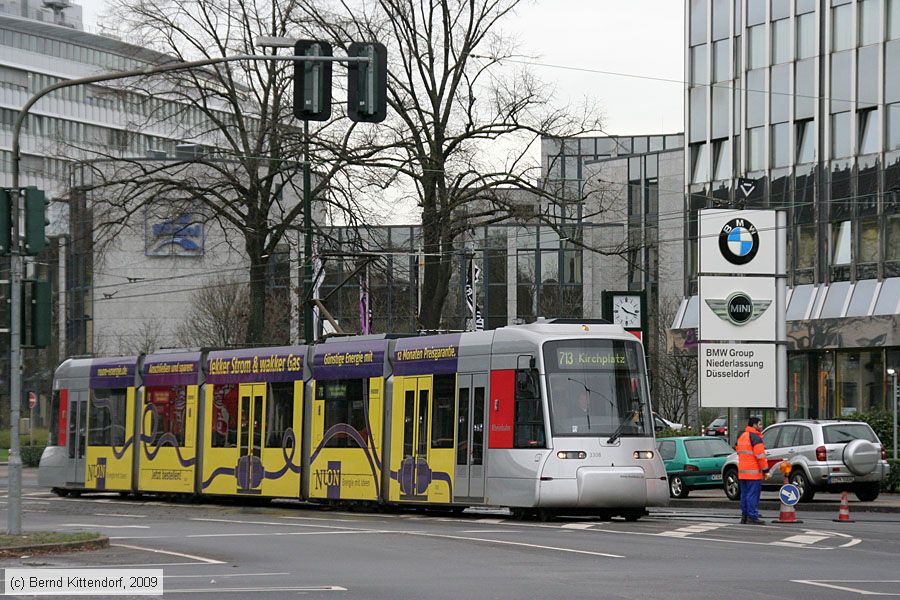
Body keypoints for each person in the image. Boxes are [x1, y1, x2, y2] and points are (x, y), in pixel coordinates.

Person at [736, 416, 770, 524]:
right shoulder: (756, 438)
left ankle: (745, 516)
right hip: (753, 473)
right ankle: (752, 516)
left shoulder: (742, 436)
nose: (761, 427)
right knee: (752, 495)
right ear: (754, 425)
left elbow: (739, 452)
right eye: (760, 424)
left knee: (744, 494)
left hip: (742, 472)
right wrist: (765, 470)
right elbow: (760, 456)